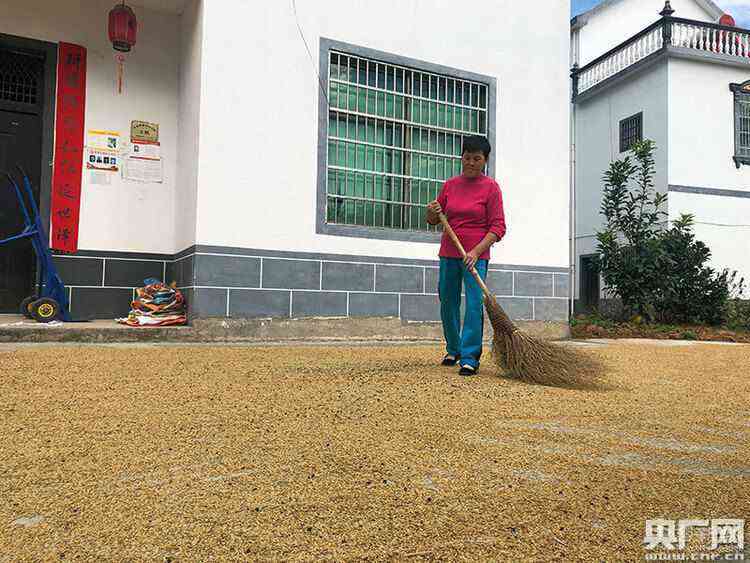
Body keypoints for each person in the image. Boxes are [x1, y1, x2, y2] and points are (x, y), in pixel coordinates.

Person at [426, 135, 506, 376]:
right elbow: (434, 220)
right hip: (449, 253)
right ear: (461, 157)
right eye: (467, 157)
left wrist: (476, 251)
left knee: (473, 305)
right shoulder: (450, 185)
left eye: (477, 158)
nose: (471, 162)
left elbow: (498, 227)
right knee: (448, 301)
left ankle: (470, 357)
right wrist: (431, 211)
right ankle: (454, 348)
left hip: (476, 256)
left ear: (485, 160)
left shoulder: (491, 188)